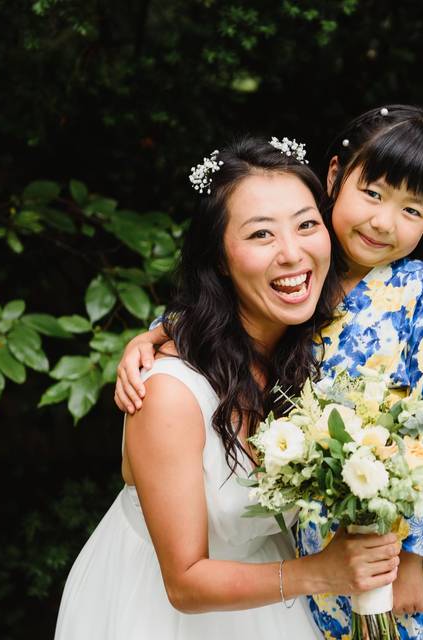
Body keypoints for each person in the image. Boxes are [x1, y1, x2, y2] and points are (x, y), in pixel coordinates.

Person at [112, 106, 423, 640]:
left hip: (404, 548)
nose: (382, 222)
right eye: (372, 194)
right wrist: (153, 334)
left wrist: (416, 555)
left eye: (411, 210)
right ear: (334, 177)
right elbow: (221, 317)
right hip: (320, 550)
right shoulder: (306, 284)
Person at [55, 136, 401, 640]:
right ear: (219, 257)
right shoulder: (169, 393)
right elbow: (185, 582)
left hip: (272, 605)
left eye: (307, 225)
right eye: (261, 235)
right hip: (166, 616)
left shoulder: (317, 353)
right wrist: (322, 573)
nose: (292, 253)